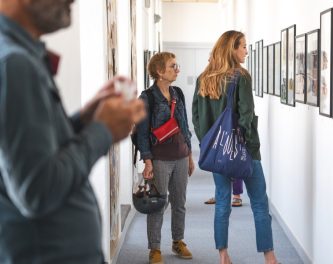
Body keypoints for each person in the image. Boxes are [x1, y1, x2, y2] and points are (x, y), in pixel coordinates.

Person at [0, 0, 146, 263]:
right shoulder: (14, 63)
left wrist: (86, 117)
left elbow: (32, 149)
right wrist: (103, 131)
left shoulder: (18, 56)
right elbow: (36, 190)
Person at [192, 30, 279, 264]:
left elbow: (197, 116)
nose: (246, 51)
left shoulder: (204, 78)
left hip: (217, 153)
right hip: (245, 152)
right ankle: (270, 258)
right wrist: (247, 147)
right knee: (260, 203)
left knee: (222, 201)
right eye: (243, 47)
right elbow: (247, 115)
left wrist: (208, 142)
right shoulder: (241, 76)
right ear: (232, 48)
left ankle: (223, 255)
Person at [136, 52, 194, 264]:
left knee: (180, 202)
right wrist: (148, 161)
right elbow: (142, 133)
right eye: (172, 66)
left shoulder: (178, 93)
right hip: (159, 159)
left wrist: (189, 155)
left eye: (176, 65)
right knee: (158, 204)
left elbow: (185, 125)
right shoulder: (147, 98)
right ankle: (155, 248)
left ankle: (178, 240)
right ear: (160, 72)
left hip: (180, 156)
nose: (177, 69)